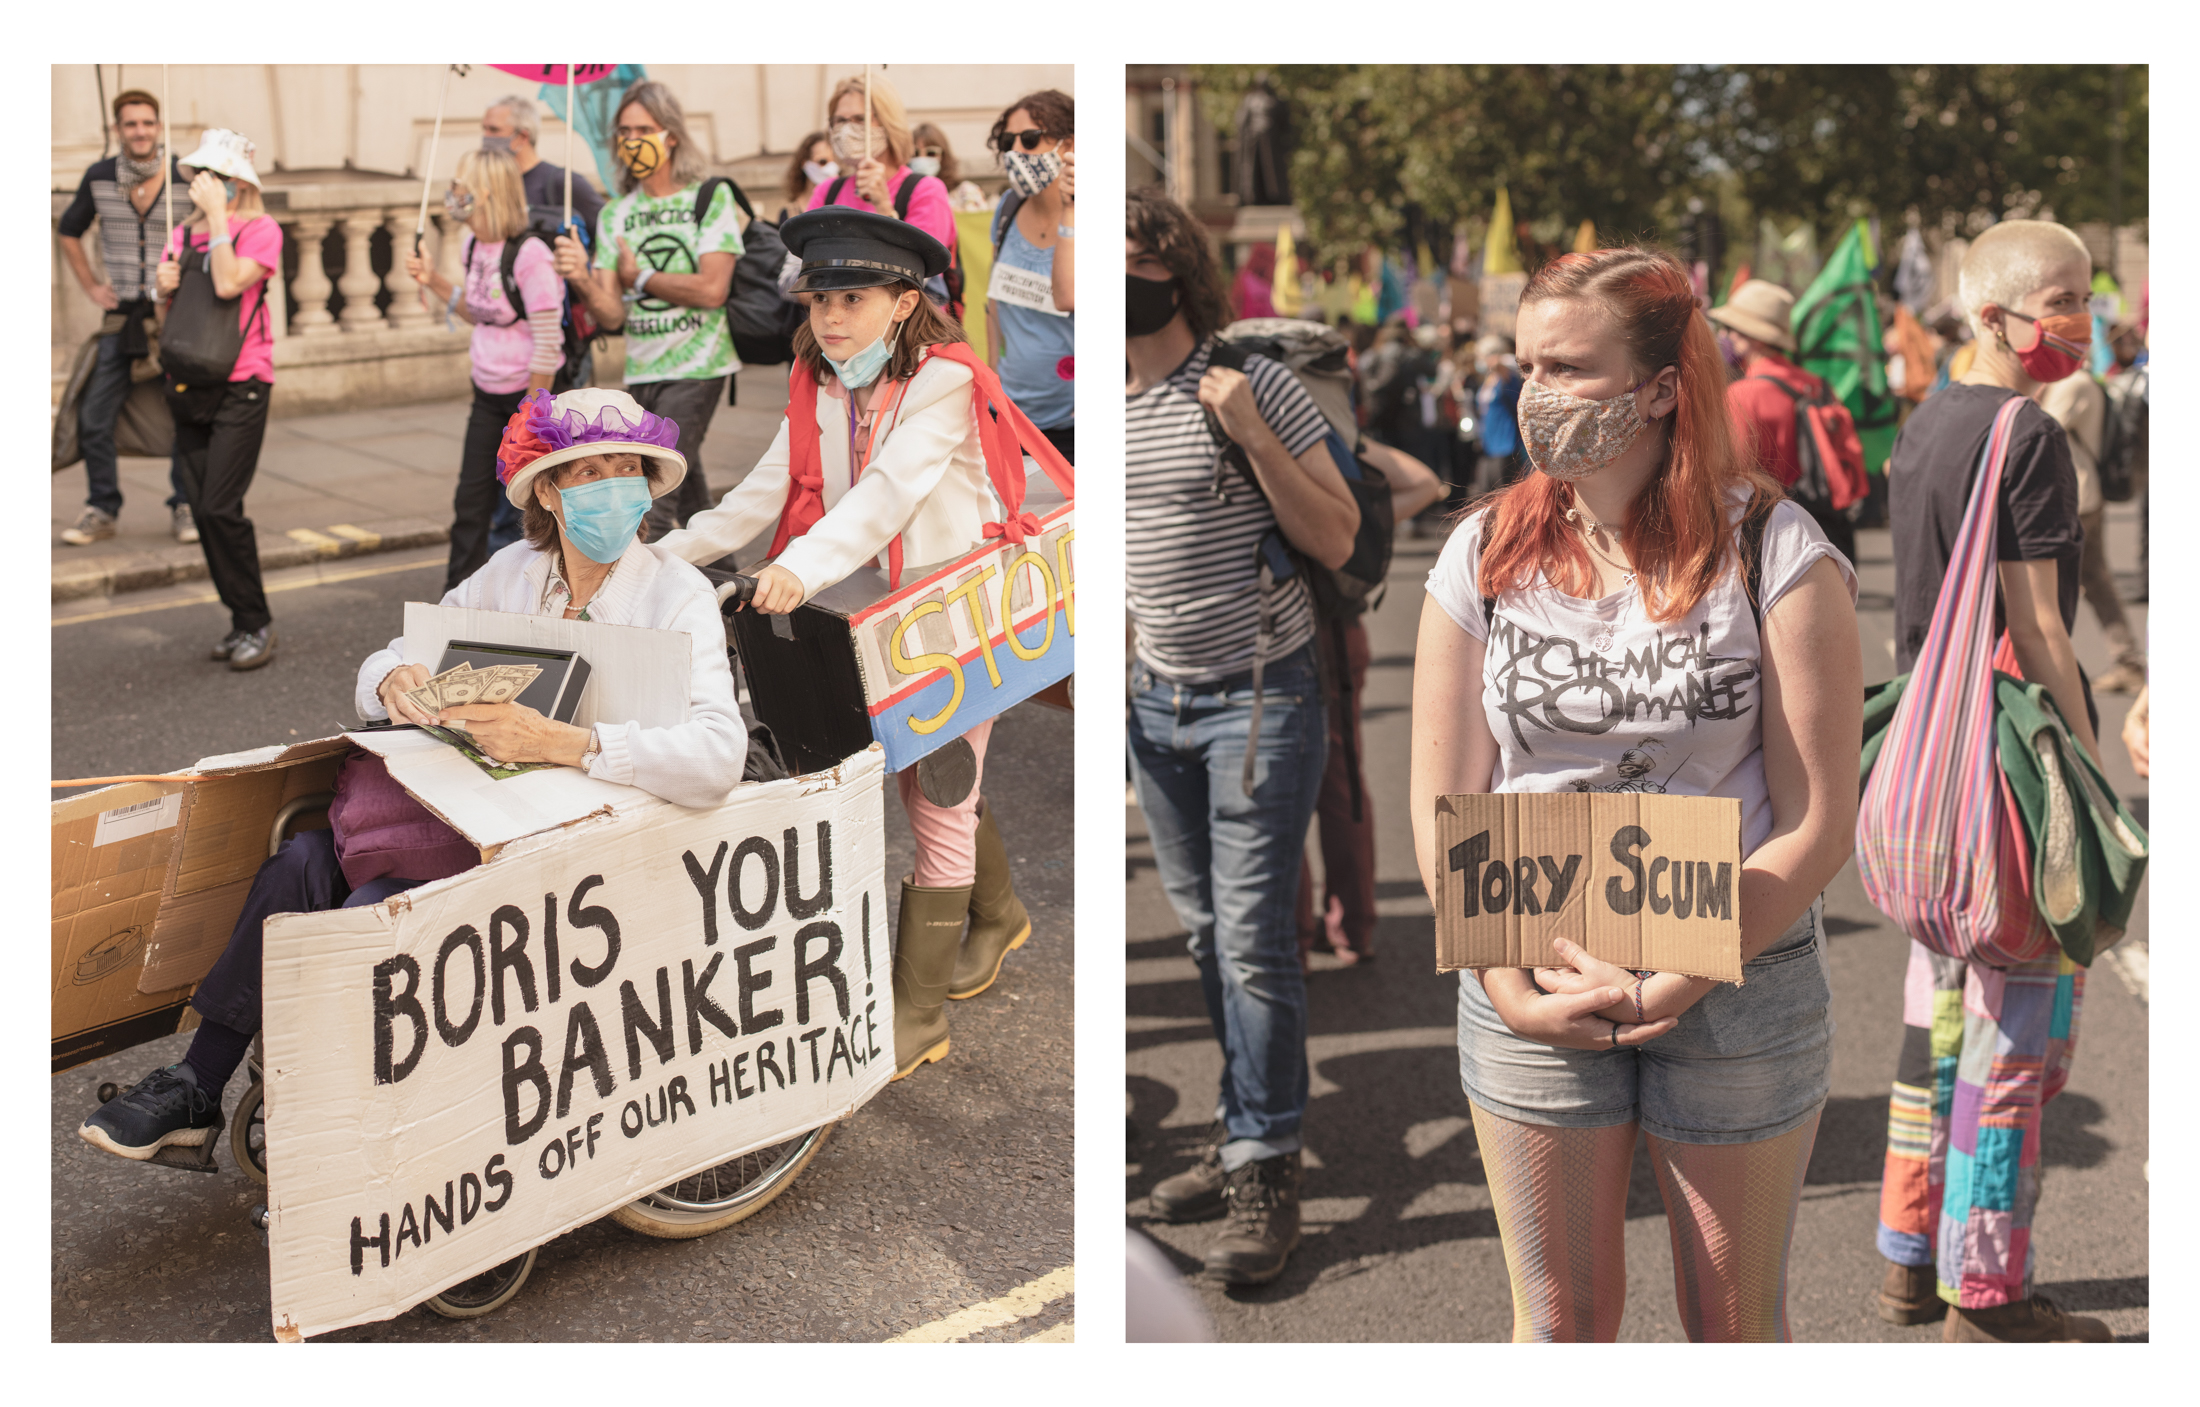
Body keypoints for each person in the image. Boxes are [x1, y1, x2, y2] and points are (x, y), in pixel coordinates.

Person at [80, 388, 745, 1162]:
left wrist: (567, 742)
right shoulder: (511, 573)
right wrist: (395, 681)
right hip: (467, 816)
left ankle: (340, 1119)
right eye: (588, 471)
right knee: (298, 863)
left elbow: (717, 756)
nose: (612, 487)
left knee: (372, 903)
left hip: (571, 850)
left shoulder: (677, 595)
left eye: (626, 469)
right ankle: (198, 1082)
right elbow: (396, 654)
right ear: (551, 494)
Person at [1408, 245, 1862, 1342]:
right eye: (1525, 365)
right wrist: (1503, 979)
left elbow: (1816, 822)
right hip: (1531, 970)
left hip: (1735, 987)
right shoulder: (1481, 552)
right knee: (1558, 1327)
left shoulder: (1774, 549)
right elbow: (1444, 799)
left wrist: (1684, 974)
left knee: (1734, 1327)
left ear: (1661, 387)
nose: (1536, 394)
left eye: (1567, 367)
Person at [653, 208, 1047, 1085]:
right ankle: (999, 913)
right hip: (875, 610)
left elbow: (886, 495)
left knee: (936, 790)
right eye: (820, 297)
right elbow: (764, 486)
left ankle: (919, 1011)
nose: (831, 317)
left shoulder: (943, 382)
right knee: (915, 769)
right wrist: (660, 558)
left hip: (954, 611)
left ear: (905, 302)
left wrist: (796, 565)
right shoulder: (823, 378)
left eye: (853, 298)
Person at [1872, 219, 2112, 1343]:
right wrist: (2091, 775)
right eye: (2056, 298)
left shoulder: (1927, 423)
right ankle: (1990, 1289)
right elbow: (2041, 628)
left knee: (1937, 1019)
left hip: (1930, 769)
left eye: (2081, 294)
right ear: (1990, 313)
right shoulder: (2025, 436)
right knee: (2016, 1034)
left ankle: (1907, 1256)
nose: (2076, 317)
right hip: (2008, 774)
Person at [1126, 187, 1361, 1286]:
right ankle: (1238, 1134)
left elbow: (1336, 528)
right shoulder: (1098, 403)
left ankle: (1267, 1161)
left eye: (1121, 263)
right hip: (1152, 701)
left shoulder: (1247, 382)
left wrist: (1253, 433)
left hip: (1256, 699)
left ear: (1172, 270)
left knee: (1255, 945)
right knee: (1205, 936)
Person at [552, 78, 742, 542]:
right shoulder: (615, 213)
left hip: (700, 365)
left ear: (670, 134)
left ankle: (638, 606)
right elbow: (612, 316)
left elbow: (713, 289)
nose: (632, 142)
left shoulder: (709, 197)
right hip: (642, 370)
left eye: (643, 129)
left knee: (653, 499)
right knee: (695, 504)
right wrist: (580, 276)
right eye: (623, 133)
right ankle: (735, 606)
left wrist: (640, 277)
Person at [1293, 438, 1444, 968]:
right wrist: (1362, 522)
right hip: (1334, 628)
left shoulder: (1244, 417)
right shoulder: (1325, 431)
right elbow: (1425, 481)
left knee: (1274, 793)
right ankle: (1350, 928)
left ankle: (1294, 936)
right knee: (1342, 782)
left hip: (1279, 637)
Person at [405, 147, 564, 594]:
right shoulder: (472, 244)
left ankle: (524, 597)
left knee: (521, 508)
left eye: (460, 187)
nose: (452, 195)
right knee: (469, 503)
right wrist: (434, 280)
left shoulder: (530, 254)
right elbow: (482, 313)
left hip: (526, 398)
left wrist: (531, 416)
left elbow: (549, 340)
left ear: (486, 192)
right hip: (486, 394)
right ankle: (457, 600)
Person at [154, 129, 284, 671]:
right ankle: (240, 621)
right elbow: (172, 327)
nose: (208, 186)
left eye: (221, 178)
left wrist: (217, 221)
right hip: (191, 383)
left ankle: (256, 622)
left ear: (239, 183)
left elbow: (230, 285)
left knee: (218, 506)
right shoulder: (180, 236)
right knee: (204, 512)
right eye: (205, 176)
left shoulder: (260, 230)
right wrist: (164, 290)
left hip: (244, 382)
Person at [56, 87, 193, 547]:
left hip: (172, 315)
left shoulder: (183, 177)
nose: (140, 131)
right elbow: (68, 231)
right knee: (95, 415)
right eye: (131, 123)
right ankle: (103, 507)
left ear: (159, 127)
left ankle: (185, 504)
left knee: (183, 414)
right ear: (117, 130)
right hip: (121, 317)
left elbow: (210, 233)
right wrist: (92, 285)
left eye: (147, 123)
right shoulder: (99, 177)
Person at [1709, 278, 1861, 564]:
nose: (1724, 336)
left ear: (1748, 336)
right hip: (1827, 528)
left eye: (1729, 328)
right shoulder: (1819, 387)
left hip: (1771, 537)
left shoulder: (1741, 396)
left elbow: (1733, 478)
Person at [808, 74, 957, 311]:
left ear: (888, 122)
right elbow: (793, 279)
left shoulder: (926, 190)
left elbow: (915, 280)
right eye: (839, 121)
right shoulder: (826, 192)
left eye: (859, 120)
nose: (847, 130)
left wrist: (885, 209)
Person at [2037, 368, 2146, 692]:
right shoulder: (2076, 381)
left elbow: (2042, 429)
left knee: (2048, 582)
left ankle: (2048, 668)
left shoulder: (2075, 383)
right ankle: (2127, 660)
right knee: (2095, 580)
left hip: (2076, 496)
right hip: (2081, 494)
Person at [985, 89, 1075, 465]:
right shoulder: (1007, 207)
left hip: (1074, 424)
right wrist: (991, 386)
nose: (1017, 150)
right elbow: (994, 306)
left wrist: (1073, 208)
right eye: (1008, 142)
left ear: (1067, 145)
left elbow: (1068, 296)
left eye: (1031, 139)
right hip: (1010, 416)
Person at [481, 92, 604, 242]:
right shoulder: (494, 183)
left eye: (494, 130)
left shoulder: (564, 182)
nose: (486, 137)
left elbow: (606, 235)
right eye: (484, 129)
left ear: (523, 137)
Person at [1471, 334, 1523, 497]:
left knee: (1504, 491)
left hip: (1505, 443)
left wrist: (1502, 368)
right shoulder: (1488, 380)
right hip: (1488, 444)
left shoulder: (1507, 378)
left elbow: (1515, 401)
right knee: (1485, 491)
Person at [777, 129, 835, 223]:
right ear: (805, 163)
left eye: (835, 162)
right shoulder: (790, 214)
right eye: (823, 161)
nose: (830, 168)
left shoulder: (843, 206)